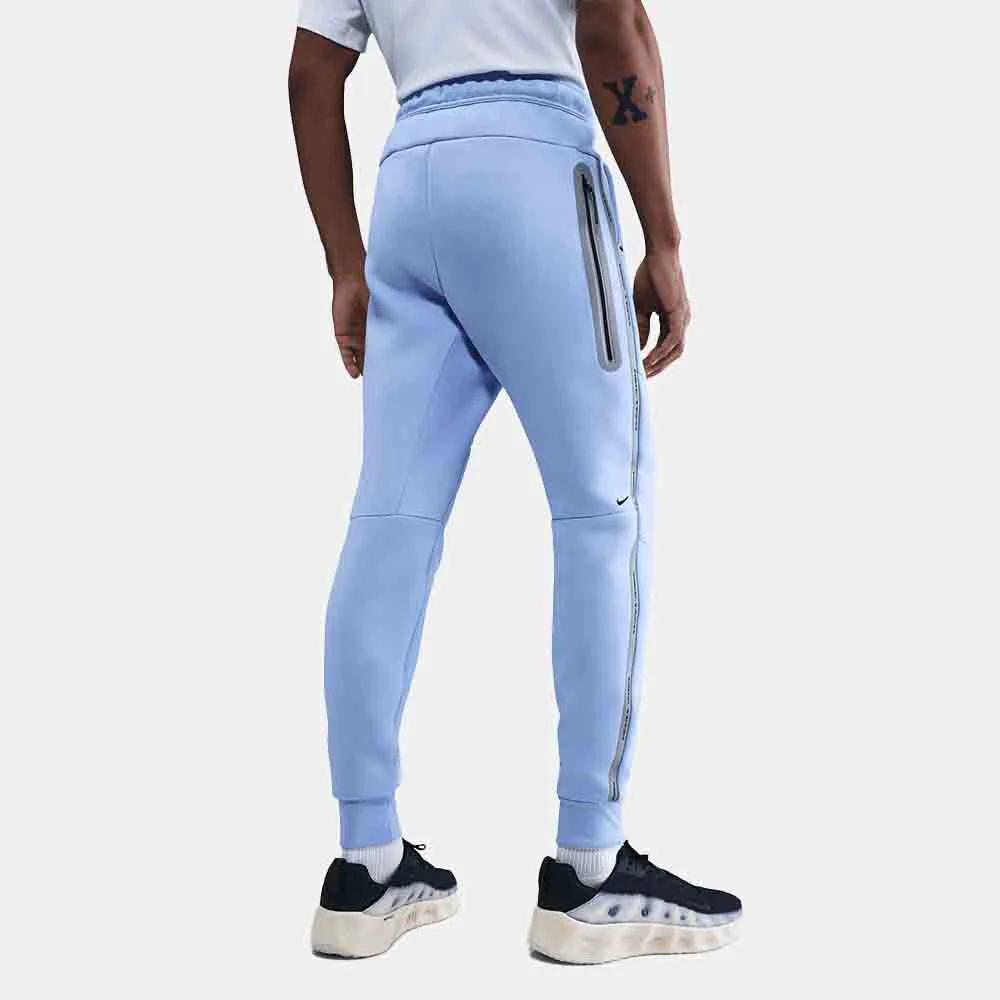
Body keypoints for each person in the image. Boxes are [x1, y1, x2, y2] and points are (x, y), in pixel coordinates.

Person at [289, 0, 740, 963]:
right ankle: (590, 869)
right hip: (534, 167)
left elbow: (312, 73)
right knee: (603, 508)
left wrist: (344, 265)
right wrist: (663, 239)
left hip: (410, 181)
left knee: (391, 516)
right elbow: (614, 26)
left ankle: (365, 863)